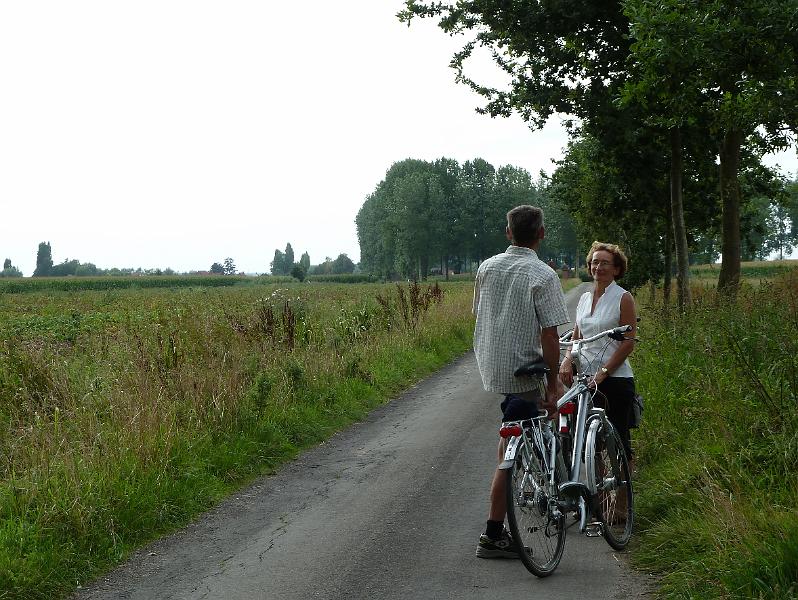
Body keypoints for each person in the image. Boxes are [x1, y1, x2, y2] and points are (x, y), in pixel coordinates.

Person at [472, 205, 569, 559]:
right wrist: (554, 384)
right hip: (525, 370)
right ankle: (493, 533)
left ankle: (527, 463)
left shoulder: (486, 267)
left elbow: (480, 313)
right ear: (541, 234)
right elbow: (550, 333)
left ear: (508, 232)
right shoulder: (543, 274)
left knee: (514, 432)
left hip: (491, 366)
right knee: (508, 450)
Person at [558, 241, 637, 464]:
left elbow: (628, 343)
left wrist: (603, 373)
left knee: (619, 443)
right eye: (595, 262)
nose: (598, 267)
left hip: (614, 379)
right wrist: (566, 361)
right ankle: (598, 495)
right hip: (585, 380)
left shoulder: (623, 298)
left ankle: (623, 497)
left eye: (605, 263)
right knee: (591, 448)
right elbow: (577, 337)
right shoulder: (584, 299)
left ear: (616, 269)